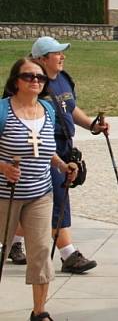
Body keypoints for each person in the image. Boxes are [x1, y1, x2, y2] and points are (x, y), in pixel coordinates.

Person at [1, 58, 79, 321]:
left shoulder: (47, 108)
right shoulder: (2, 110)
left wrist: (62, 164)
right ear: (15, 82)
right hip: (4, 195)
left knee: (42, 252)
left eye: (40, 78)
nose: (36, 81)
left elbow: (46, 150)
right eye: (29, 76)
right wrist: (3, 167)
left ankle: (39, 311)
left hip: (39, 194)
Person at [32, 36, 106, 274]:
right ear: (42, 59)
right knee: (57, 198)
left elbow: (71, 108)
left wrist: (92, 125)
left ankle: (11, 244)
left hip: (65, 145)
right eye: (57, 53)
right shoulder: (32, 83)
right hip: (43, 147)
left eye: (62, 52)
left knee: (38, 201)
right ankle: (68, 254)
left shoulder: (63, 79)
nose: (62, 56)